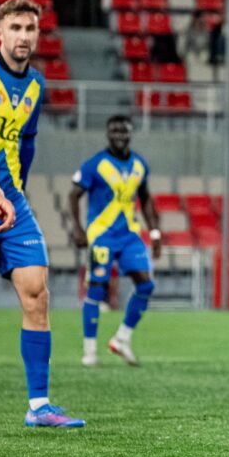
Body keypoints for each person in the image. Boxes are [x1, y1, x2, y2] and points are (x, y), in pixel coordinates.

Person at [0, 0, 84, 427]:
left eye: (31, 28)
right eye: (16, 27)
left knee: (36, 290)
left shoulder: (35, 85)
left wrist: (17, 191)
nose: (24, 36)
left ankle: (39, 406)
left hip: (10, 201)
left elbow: (25, 143)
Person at [69, 115, 161, 367]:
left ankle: (121, 339)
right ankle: (89, 351)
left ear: (130, 133)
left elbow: (146, 198)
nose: (119, 135)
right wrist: (78, 229)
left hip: (130, 235)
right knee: (97, 289)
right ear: (108, 134)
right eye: (114, 131)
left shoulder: (140, 164)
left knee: (146, 285)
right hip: (102, 234)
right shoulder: (95, 164)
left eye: (124, 131)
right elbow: (74, 194)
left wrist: (154, 232)